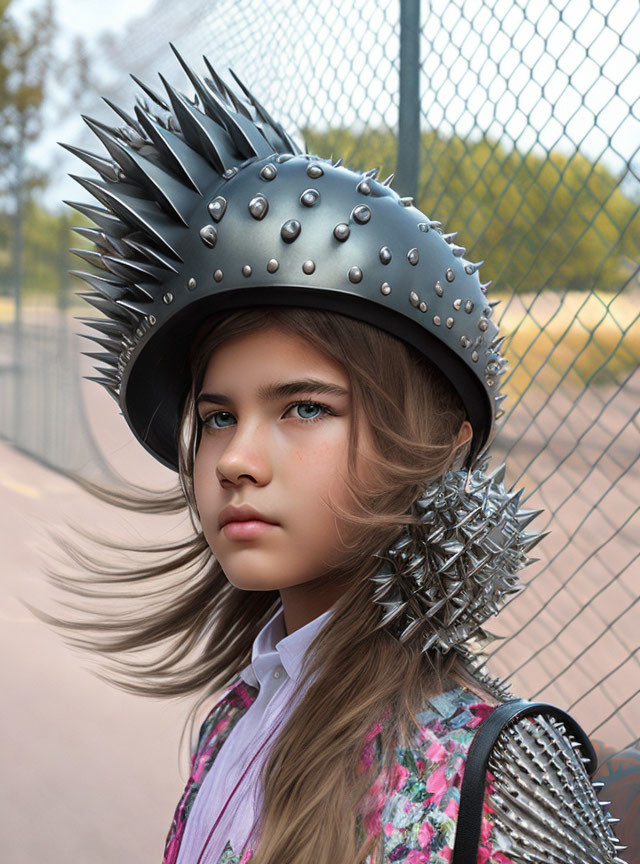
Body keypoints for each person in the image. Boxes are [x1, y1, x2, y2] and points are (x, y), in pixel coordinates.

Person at [41, 44, 627, 864]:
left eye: (304, 407)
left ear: (436, 447)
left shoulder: (496, 776)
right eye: (216, 417)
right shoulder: (234, 716)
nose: (235, 459)